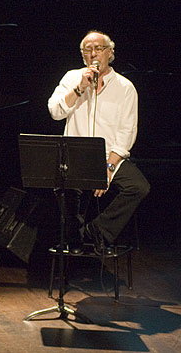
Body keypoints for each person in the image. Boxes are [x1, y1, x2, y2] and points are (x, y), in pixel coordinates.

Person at [47, 30, 150, 255]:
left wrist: (109, 167)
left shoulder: (125, 88)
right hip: (75, 154)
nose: (93, 54)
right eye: (88, 50)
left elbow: (127, 132)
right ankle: (73, 239)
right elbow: (55, 111)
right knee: (65, 186)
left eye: (99, 49)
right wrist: (79, 88)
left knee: (138, 187)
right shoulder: (71, 78)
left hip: (108, 156)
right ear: (83, 55)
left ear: (110, 53)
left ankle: (98, 232)